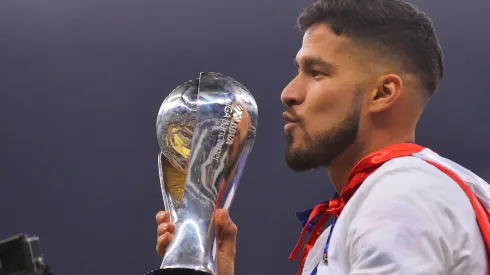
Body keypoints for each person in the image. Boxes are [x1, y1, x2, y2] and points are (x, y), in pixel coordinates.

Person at [155, 0, 490, 274]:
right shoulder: (386, 200)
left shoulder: (399, 197)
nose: (288, 93)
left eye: (316, 73)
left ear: (383, 93)